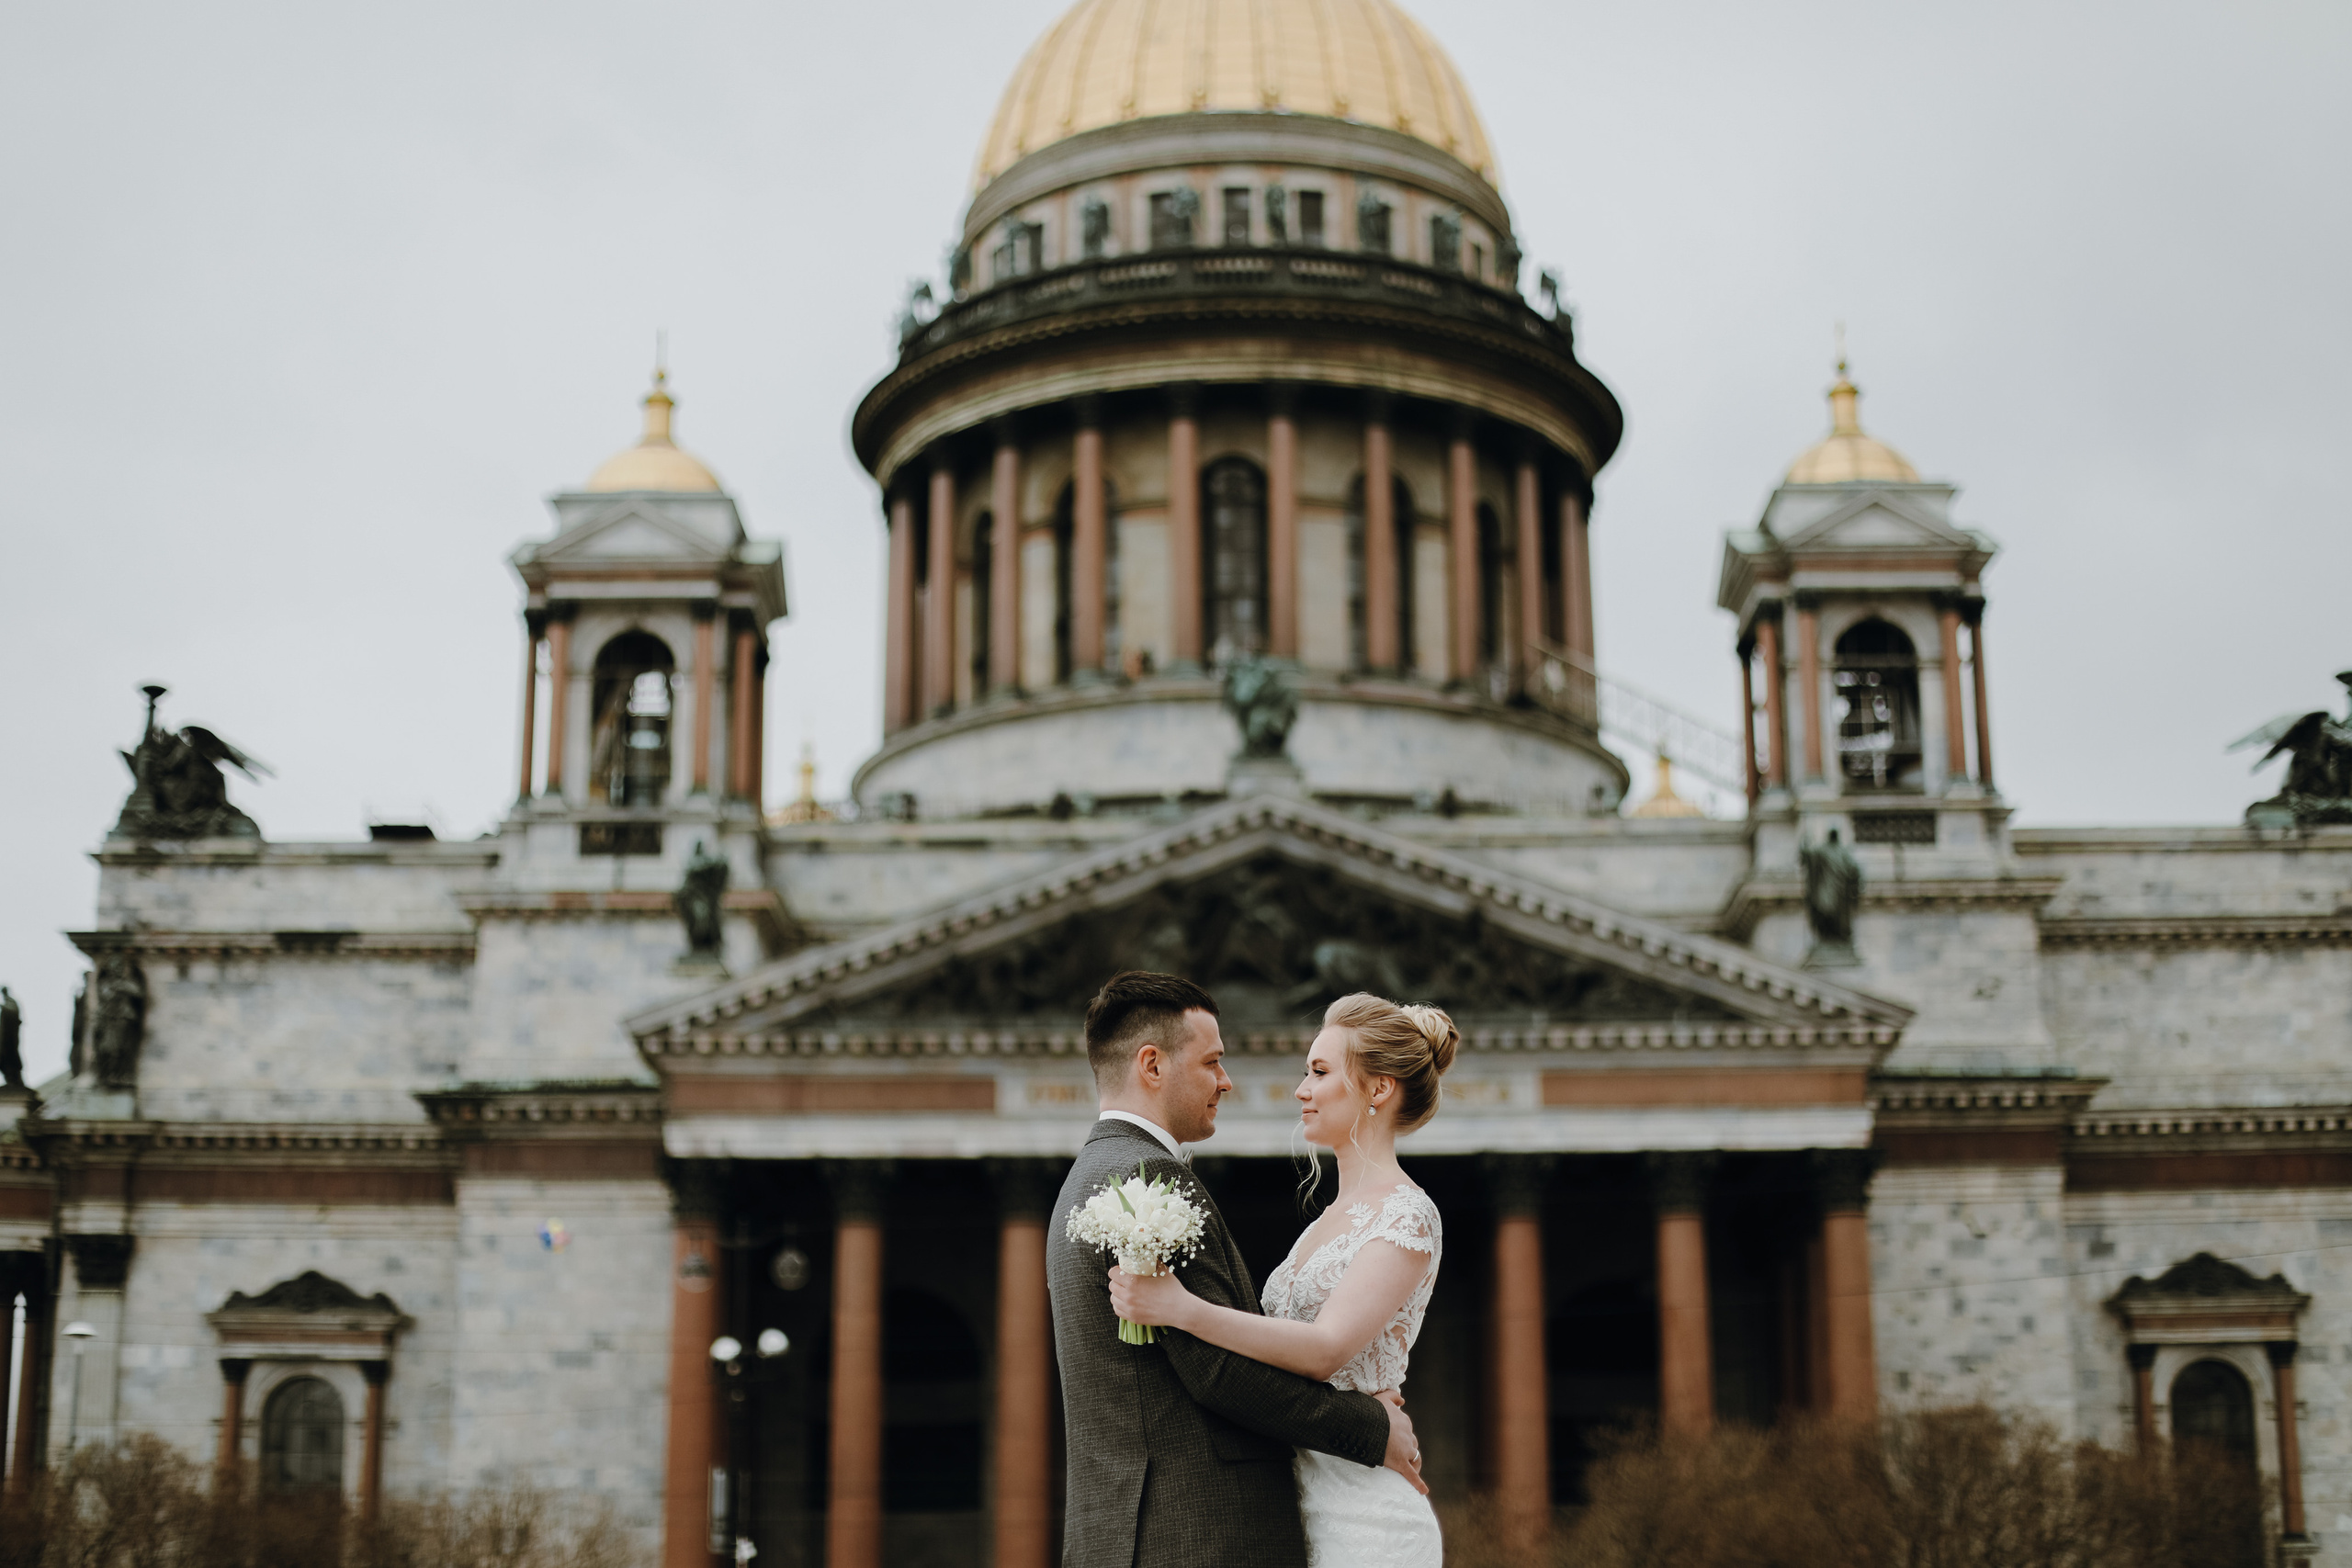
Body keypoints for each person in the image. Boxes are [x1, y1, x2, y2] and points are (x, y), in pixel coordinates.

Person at [1046, 972, 1427, 1568]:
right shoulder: (1149, 1179)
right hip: (1196, 1534)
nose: (1226, 1080)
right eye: (1212, 1062)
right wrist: (1372, 1425)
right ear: (1152, 1064)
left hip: (1127, 1529)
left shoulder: (1092, 1176)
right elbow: (1219, 1372)